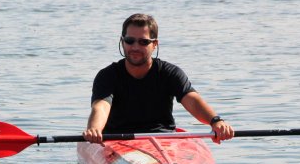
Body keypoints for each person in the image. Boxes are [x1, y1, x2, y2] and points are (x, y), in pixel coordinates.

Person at [83, 13, 234, 144]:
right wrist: (94, 129)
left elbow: (192, 100)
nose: (135, 47)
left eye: (143, 42)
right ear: (122, 41)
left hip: (163, 139)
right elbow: (101, 106)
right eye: (130, 41)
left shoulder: (170, 73)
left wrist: (216, 121)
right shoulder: (107, 76)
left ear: (154, 44)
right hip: (117, 139)